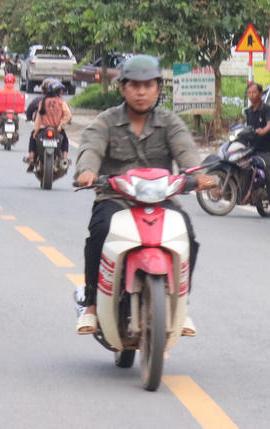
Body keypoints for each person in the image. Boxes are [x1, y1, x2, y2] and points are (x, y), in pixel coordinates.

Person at [72, 55, 217, 336]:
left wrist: (197, 175)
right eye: (134, 86)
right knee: (100, 232)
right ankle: (90, 304)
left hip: (160, 199)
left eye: (148, 85)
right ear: (123, 88)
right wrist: (87, 172)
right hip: (116, 198)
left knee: (187, 234)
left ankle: (181, 305)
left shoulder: (169, 122)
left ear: (158, 88)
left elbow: (186, 152)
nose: (141, 92)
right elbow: (91, 147)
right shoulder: (106, 121)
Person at [243, 82, 270, 220]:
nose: (251, 95)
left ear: (260, 94)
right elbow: (246, 130)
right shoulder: (248, 112)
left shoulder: (267, 110)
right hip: (252, 149)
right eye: (249, 92)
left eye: (254, 92)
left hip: (266, 150)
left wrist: (264, 130)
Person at [24, 78, 72, 166]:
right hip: (57, 129)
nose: (62, 93)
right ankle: (65, 159)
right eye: (61, 91)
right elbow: (68, 115)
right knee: (65, 140)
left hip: (43, 129)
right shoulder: (62, 102)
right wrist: (61, 125)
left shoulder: (43, 102)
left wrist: (36, 131)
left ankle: (31, 157)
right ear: (58, 92)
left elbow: (39, 117)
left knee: (33, 139)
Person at [0, 71, 26, 136]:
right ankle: (15, 131)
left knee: (0, 121)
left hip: (4, 113)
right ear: (13, 81)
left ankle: (0, 132)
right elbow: (19, 103)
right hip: (13, 114)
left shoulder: (1, 91)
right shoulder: (16, 92)